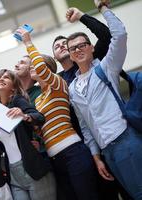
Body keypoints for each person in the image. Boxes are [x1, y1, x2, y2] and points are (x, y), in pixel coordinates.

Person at [53, 6, 132, 200]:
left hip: (119, 136)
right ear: (57, 56)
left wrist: (82, 16)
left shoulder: (96, 63)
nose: (65, 47)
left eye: (67, 44)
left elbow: (108, 35)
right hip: (89, 148)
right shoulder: (60, 81)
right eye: (58, 46)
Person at [17, 29, 102, 200]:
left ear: (47, 70)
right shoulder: (39, 99)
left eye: (36, 65)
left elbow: (40, 66)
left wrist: (28, 42)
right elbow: (43, 128)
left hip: (73, 151)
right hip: (55, 158)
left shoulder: (58, 84)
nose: (33, 67)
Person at [0, 69, 56, 200]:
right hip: (13, 174)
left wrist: (24, 115)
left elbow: (39, 117)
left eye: (6, 78)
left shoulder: (17, 100)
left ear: (14, 87)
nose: (0, 79)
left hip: (32, 168)